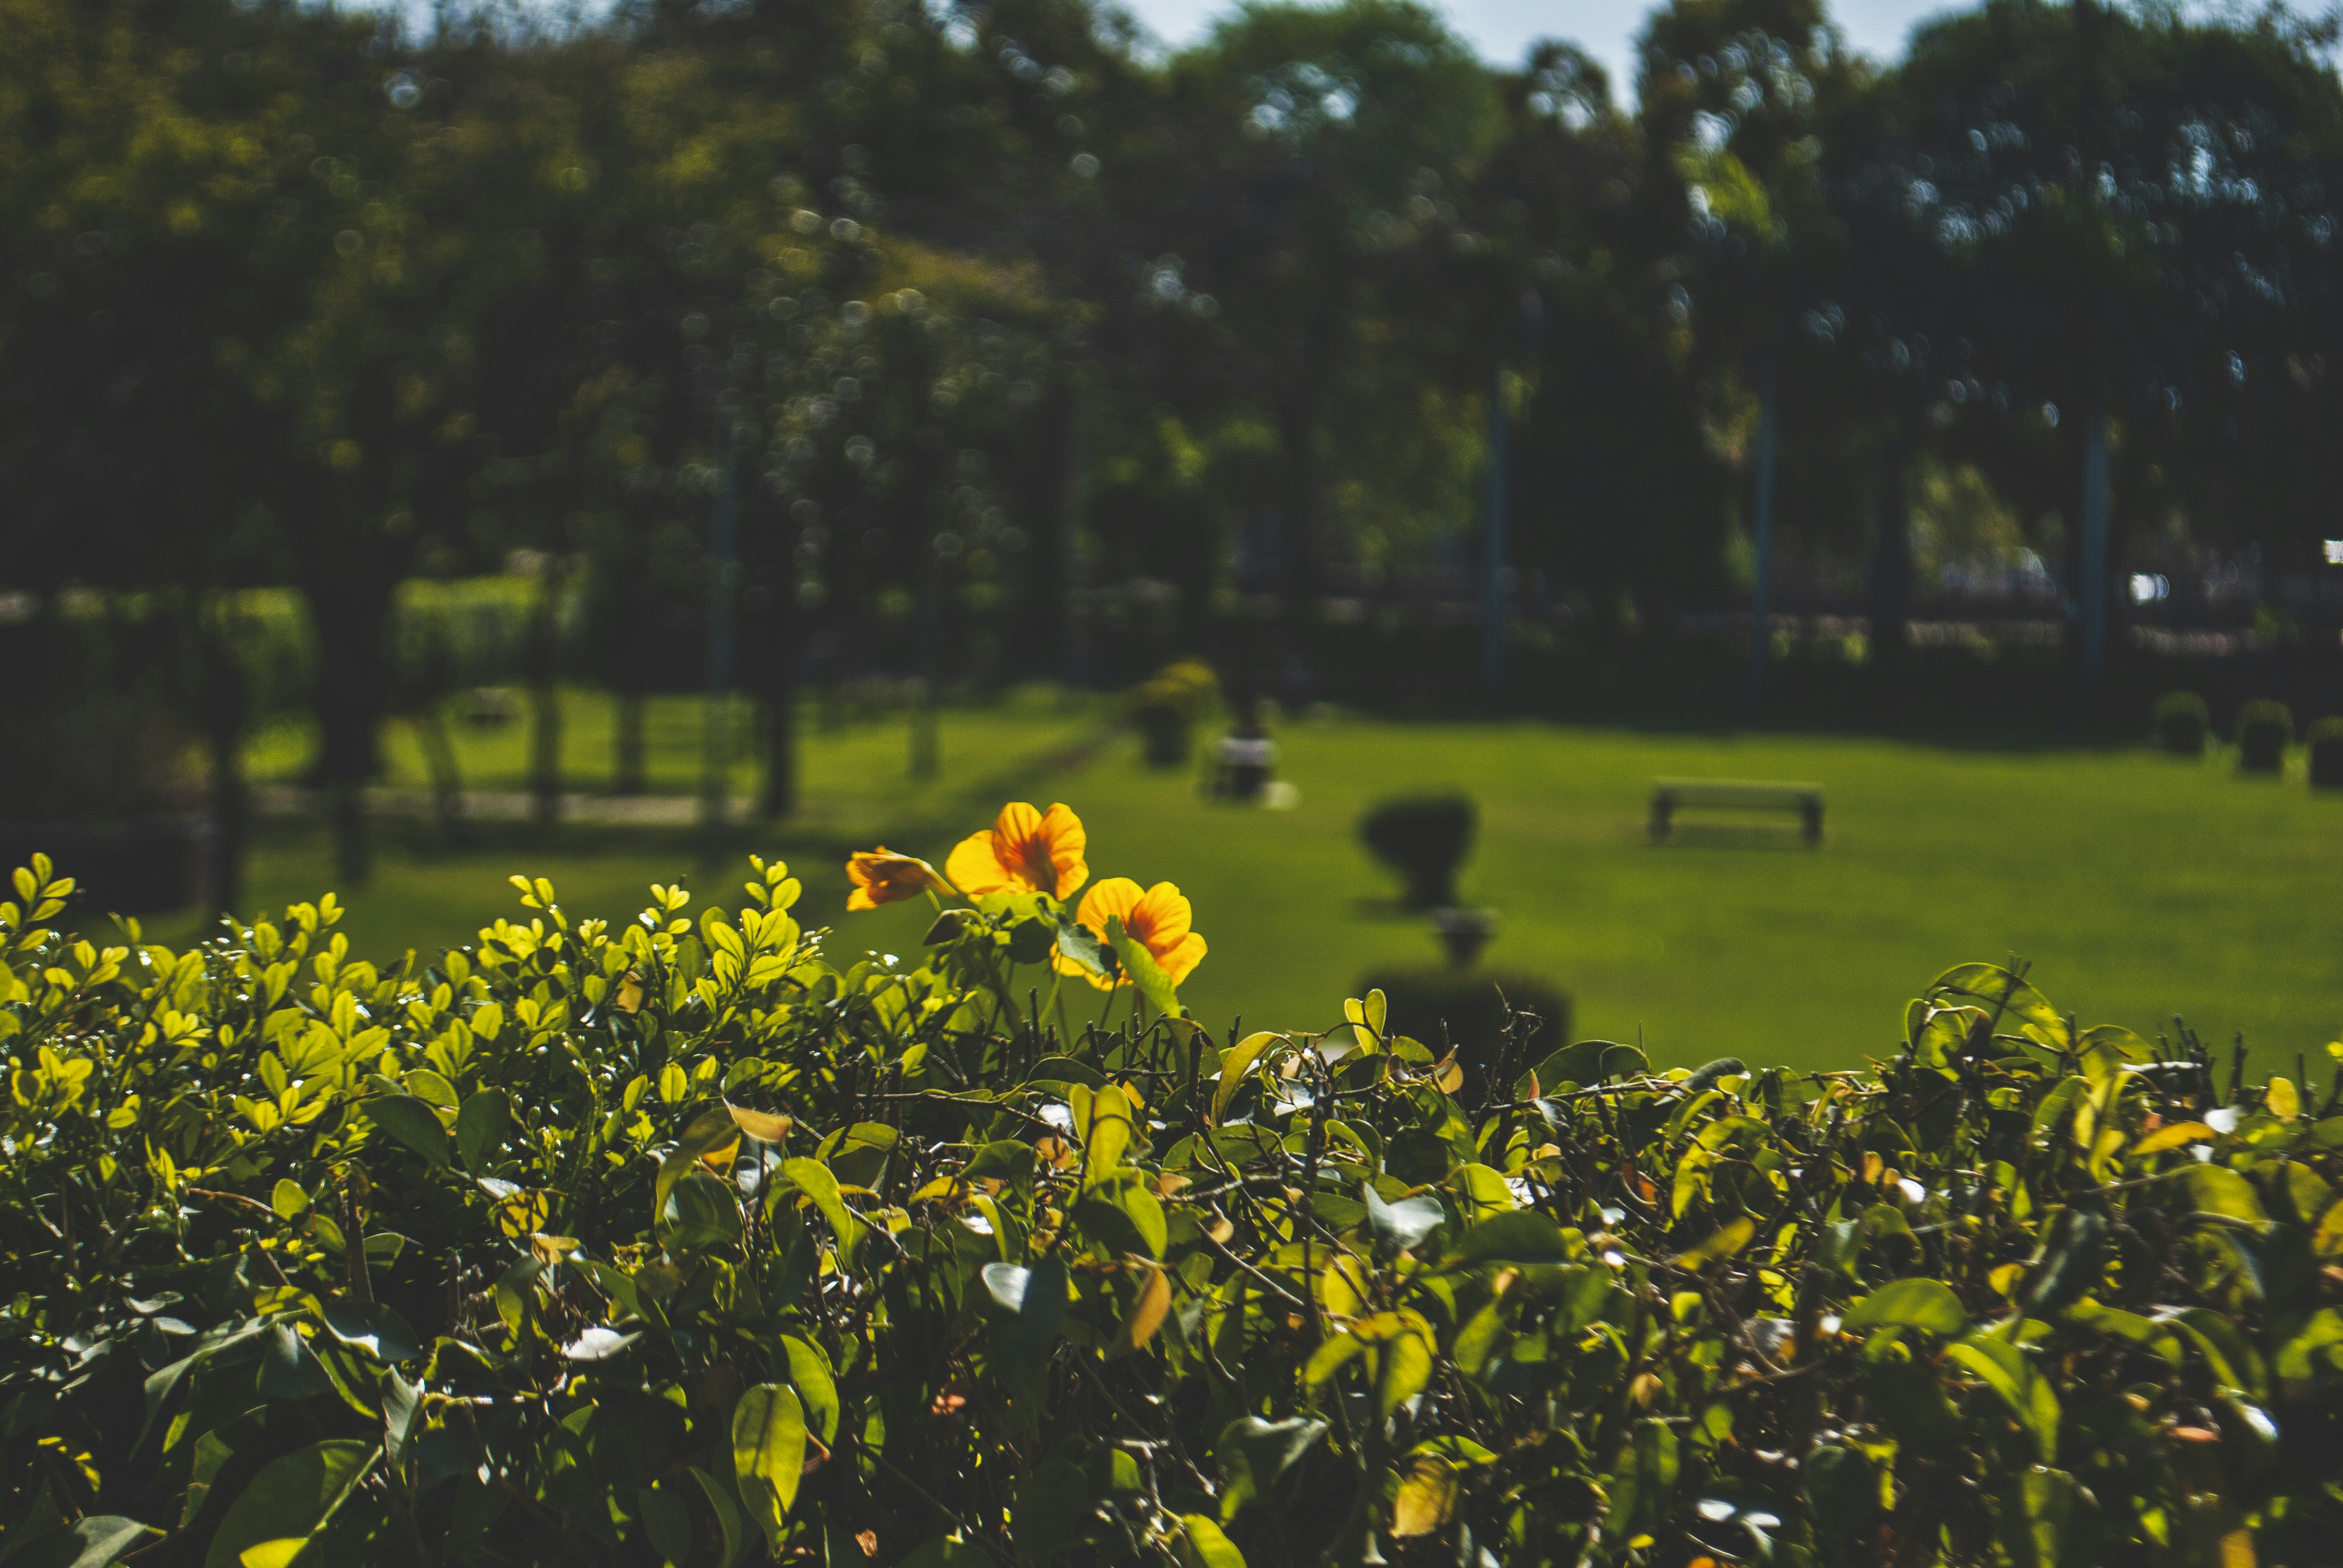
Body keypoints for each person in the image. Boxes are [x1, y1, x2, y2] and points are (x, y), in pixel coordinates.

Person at [1210, 697, 1277, 802]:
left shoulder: (1232, 740)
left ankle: (1222, 787)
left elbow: (1222, 765)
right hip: (1255, 789)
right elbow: (1268, 768)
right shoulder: (1263, 742)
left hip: (1235, 787)